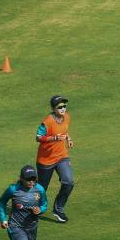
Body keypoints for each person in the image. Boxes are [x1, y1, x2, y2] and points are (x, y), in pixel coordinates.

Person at [36, 95, 74, 223]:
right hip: (45, 160)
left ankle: (58, 209)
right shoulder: (48, 121)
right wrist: (55, 138)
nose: (63, 109)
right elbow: (38, 137)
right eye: (60, 107)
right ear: (53, 108)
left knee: (68, 182)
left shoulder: (67, 117)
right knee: (41, 188)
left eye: (64, 106)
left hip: (62, 156)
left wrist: (68, 139)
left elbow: (65, 130)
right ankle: (31, 207)